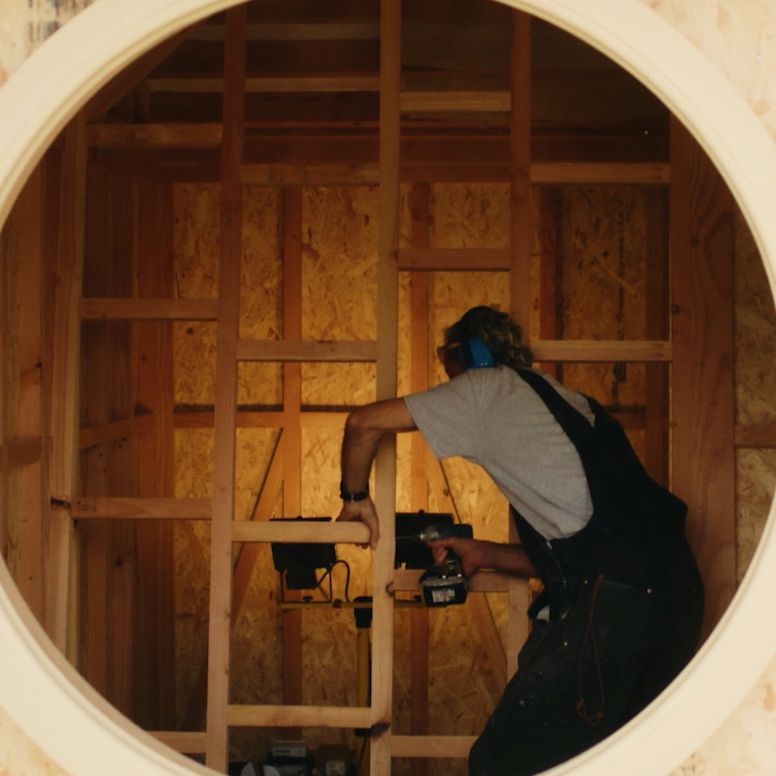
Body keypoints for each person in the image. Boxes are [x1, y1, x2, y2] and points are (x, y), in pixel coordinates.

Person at [337, 305, 704, 775]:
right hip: (675, 600)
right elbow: (595, 552)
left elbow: (363, 424)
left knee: (500, 763)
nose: (445, 374)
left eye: (444, 357)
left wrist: (356, 497)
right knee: (616, 762)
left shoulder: (484, 389)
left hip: (615, 613)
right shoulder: (569, 402)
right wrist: (483, 553)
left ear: (468, 354)